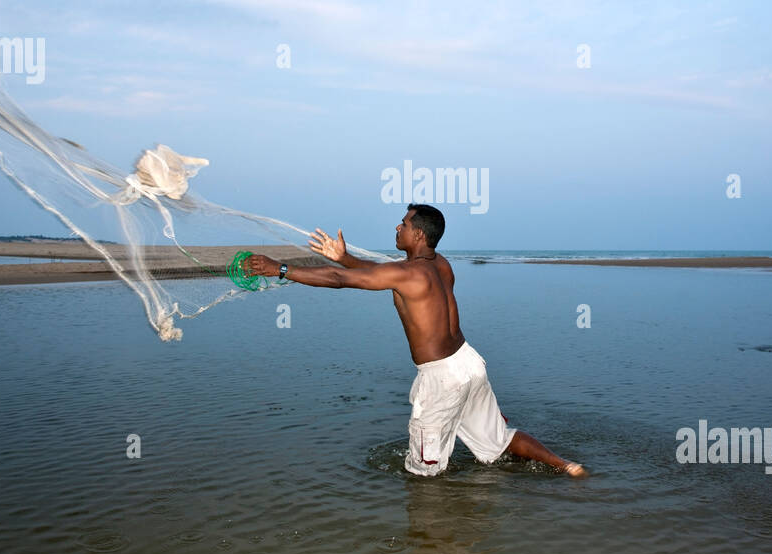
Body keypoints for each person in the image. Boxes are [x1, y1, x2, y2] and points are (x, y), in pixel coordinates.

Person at [242, 204, 586, 477]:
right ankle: (566, 466)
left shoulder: (407, 272)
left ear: (418, 234)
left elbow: (338, 280)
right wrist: (346, 258)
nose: (397, 228)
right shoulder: (441, 265)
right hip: (469, 363)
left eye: (403, 224)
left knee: (423, 472)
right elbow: (378, 273)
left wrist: (280, 270)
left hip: (442, 378)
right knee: (501, 439)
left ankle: (429, 546)